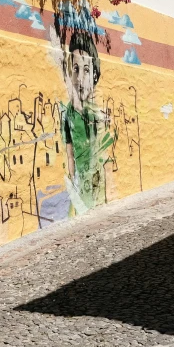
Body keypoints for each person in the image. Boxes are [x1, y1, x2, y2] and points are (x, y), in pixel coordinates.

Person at [61, 30, 113, 213]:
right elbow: (69, 153)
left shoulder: (96, 111)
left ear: (95, 75)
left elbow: (106, 159)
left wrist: (109, 198)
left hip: (98, 192)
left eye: (86, 70)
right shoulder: (68, 111)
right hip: (78, 196)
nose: (80, 78)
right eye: (75, 69)